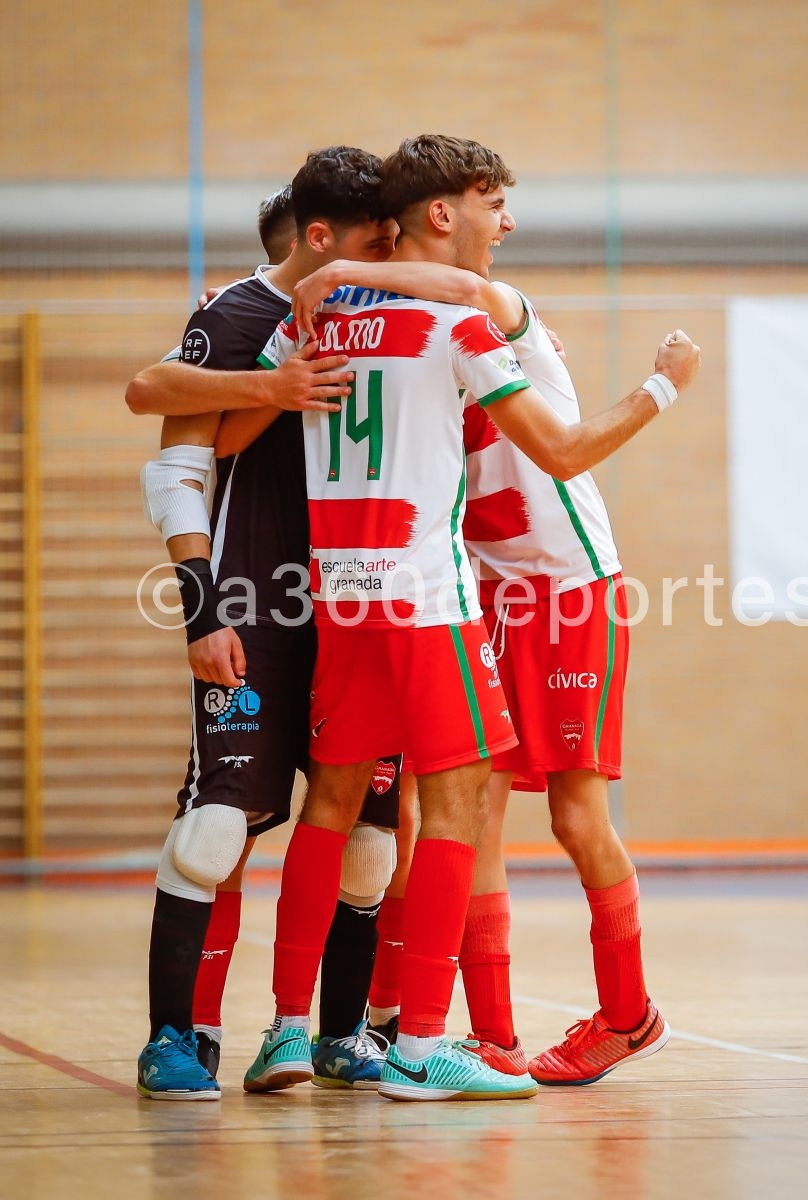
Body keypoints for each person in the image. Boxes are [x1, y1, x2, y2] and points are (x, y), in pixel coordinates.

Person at [219, 133, 699, 1101]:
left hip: (540, 587)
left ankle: (615, 1012)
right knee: (460, 807)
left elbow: (234, 427)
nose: (508, 223)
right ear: (441, 215)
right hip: (449, 586)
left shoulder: (392, 307)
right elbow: (552, 443)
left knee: (537, 813)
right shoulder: (453, 322)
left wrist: (335, 269)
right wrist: (662, 384)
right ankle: (465, 1037)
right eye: (493, 202)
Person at [128, 148, 405, 1100]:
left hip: (367, 612)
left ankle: (338, 1038)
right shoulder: (239, 315)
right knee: (216, 830)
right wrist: (201, 612)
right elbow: (175, 459)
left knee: (371, 839)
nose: (390, 256)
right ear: (322, 238)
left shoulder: (401, 314)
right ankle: (179, 1037)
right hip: (253, 608)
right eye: (377, 241)